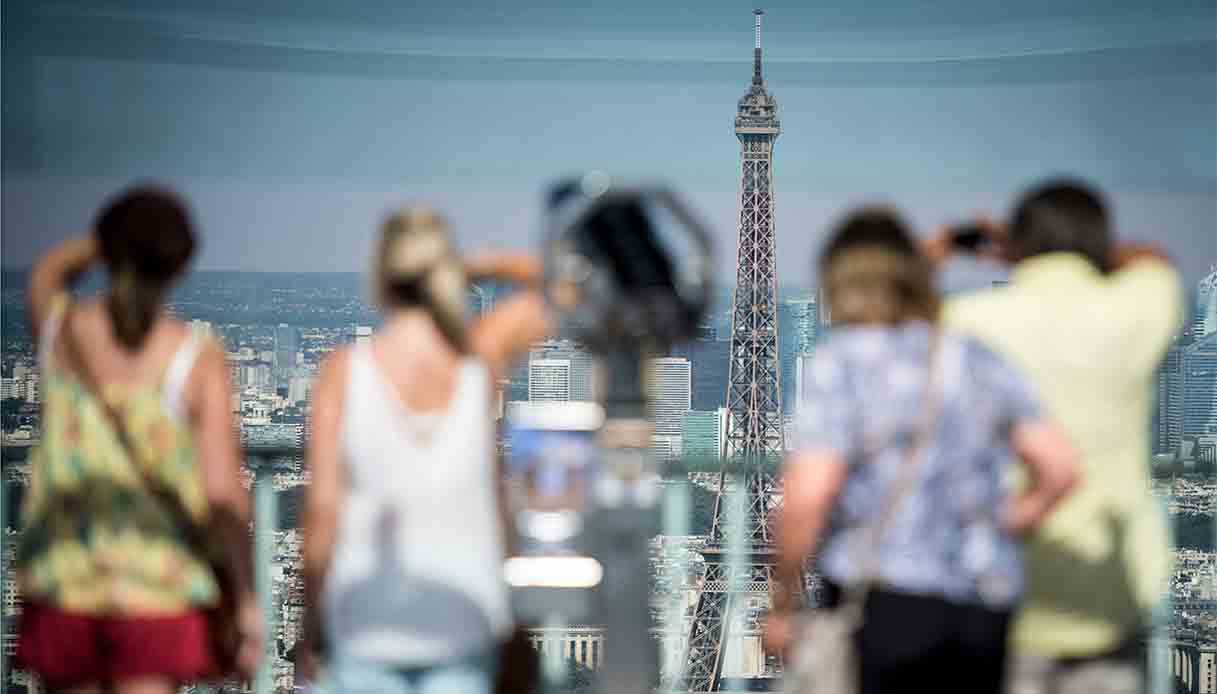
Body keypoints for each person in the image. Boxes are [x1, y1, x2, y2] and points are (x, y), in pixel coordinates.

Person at [767, 208, 1079, 694]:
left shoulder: (843, 362)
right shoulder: (975, 356)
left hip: (887, 601)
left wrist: (783, 602)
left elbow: (807, 496)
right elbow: (1060, 468)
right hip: (983, 607)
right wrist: (1003, 520)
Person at [934, 180, 1182, 694]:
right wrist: (1084, 251)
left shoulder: (967, 319)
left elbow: (893, 301)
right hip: (1108, 594)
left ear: (1019, 242)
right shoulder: (1137, 309)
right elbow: (1154, 260)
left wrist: (965, 247)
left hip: (998, 592)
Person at [17, 187, 261, 693]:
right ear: (179, 265)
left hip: (65, 578)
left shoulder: (61, 335)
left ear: (110, 253)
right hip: (158, 588)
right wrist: (242, 594)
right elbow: (222, 495)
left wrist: (107, 241)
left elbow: (45, 272)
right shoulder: (194, 356)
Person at [297, 206, 550, 693]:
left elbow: (323, 514)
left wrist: (309, 625)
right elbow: (565, 290)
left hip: (366, 619)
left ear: (381, 277)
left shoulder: (344, 372)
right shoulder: (476, 364)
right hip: (461, 619)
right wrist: (480, 264)